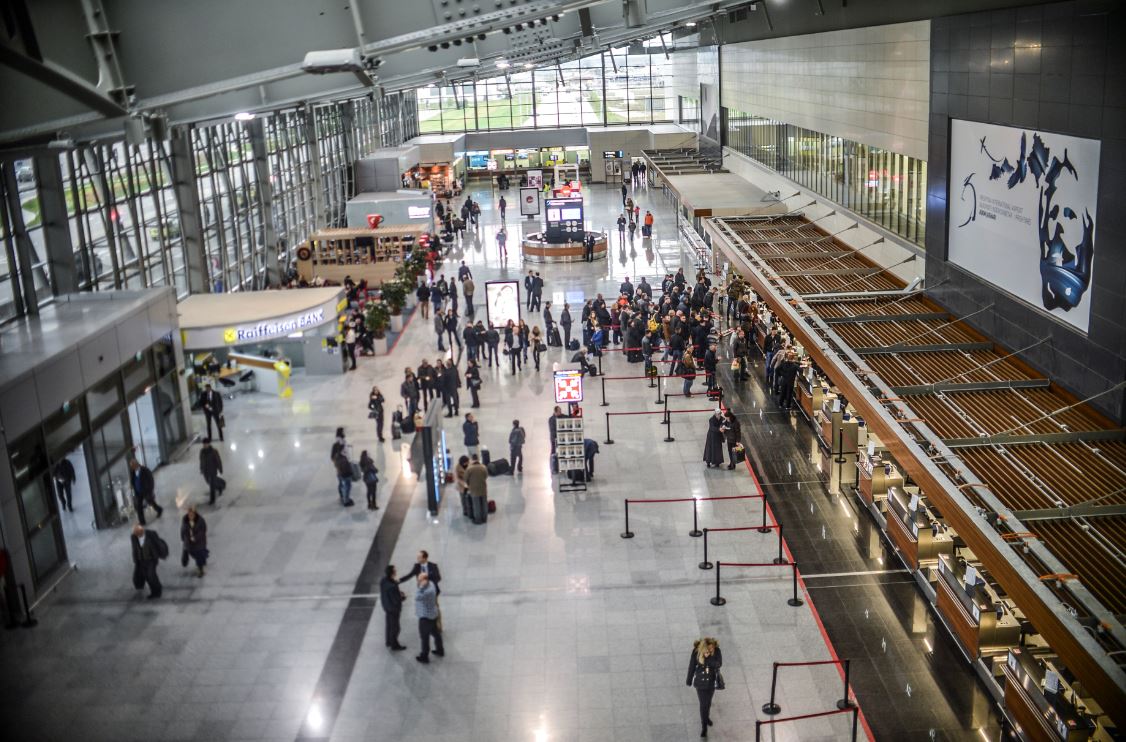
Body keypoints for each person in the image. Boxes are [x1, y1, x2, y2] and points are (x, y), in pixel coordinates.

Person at [686, 637, 723, 737]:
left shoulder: (717, 651)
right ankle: (704, 726)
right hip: (700, 683)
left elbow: (718, 664)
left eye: (712, 648)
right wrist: (689, 680)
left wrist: (708, 658)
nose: (711, 650)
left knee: (708, 702)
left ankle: (706, 718)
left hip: (711, 682)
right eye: (709, 648)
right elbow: (692, 666)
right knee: (703, 704)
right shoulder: (696, 652)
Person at [414, 573, 444, 663]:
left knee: (424, 637)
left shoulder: (427, 591)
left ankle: (424, 656)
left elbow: (417, 597)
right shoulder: (431, 583)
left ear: (424, 580)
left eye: (419, 580)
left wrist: (421, 587)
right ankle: (440, 650)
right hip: (432, 614)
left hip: (426, 617)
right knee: (436, 633)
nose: (418, 582)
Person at [130, 523, 163, 599]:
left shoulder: (150, 535)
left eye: (138, 533)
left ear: (142, 531)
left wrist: (158, 555)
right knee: (147, 577)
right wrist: (135, 560)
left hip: (151, 559)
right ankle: (154, 592)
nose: (137, 535)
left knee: (151, 575)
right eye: (135, 533)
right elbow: (134, 549)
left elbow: (157, 544)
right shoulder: (133, 537)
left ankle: (158, 590)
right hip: (141, 560)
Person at [380, 565, 407, 651]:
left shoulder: (383, 581)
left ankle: (388, 641)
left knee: (389, 625)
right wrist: (402, 596)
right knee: (396, 628)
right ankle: (394, 645)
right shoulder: (392, 587)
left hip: (386, 606)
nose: (396, 572)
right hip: (394, 609)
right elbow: (396, 600)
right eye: (395, 571)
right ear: (392, 573)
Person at [129, 459, 163, 524]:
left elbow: (151, 480)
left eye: (132, 466)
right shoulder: (132, 472)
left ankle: (159, 509)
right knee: (139, 507)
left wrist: (150, 490)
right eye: (131, 466)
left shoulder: (145, 470)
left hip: (146, 491)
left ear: (136, 464)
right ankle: (142, 522)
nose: (131, 467)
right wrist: (132, 486)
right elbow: (133, 480)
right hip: (138, 492)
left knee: (151, 502)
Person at [180, 506, 208, 577]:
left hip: (198, 543)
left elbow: (203, 531)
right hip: (188, 542)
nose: (190, 516)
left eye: (192, 514)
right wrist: (183, 538)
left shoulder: (200, 521)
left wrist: (195, 537)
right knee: (186, 550)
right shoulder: (185, 520)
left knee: (199, 556)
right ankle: (185, 560)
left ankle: (200, 569)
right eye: (189, 514)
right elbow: (182, 530)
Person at [199, 438, 224, 506]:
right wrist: (201, 468)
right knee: (208, 482)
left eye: (206, 444)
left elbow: (218, 460)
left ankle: (212, 500)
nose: (205, 445)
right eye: (204, 444)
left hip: (212, 470)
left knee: (212, 485)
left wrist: (220, 469)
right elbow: (201, 461)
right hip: (205, 471)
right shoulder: (202, 452)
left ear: (209, 444)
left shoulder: (214, 451)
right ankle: (219, 487)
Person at [466, 454, 489, 524]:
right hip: (483, 487)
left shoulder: (469, 469)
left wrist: (469, 484)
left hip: (474, 489)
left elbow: (465, 478)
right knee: (484, 503)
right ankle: (484, 518)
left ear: (472, 459)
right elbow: (486, 475)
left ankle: (478, 519)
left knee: (476, 505)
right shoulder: (483, 467)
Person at [333, 439, 355, 507]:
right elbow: (346, 468)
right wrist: (351, 473)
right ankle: (346, 501)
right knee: (347, 487)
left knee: (343, 486)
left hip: (340, 474)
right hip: (345, 475)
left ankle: (344, 497)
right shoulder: (342, 459)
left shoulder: (337, 456)